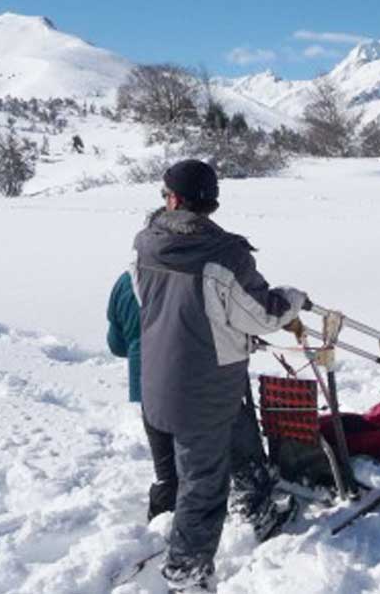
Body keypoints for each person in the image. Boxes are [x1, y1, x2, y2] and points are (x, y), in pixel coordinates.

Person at [130, 159, 308, 591]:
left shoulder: (145, 245)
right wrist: (294, 299)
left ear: (174, 199)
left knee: (240, 432)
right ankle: (187, 573)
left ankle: (256, 507)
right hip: (203, 386)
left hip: (161, 378)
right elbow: (262, 314)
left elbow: (148, 300)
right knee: (204, 485)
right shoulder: (225, 255)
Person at [106, 267, 295, 528]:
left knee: (167, 469)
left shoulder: (128, 280)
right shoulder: (196, 274)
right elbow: (245, 316)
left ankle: (163, 518)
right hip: (202, 383)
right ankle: (253, 511)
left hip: (150, 389)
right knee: (237, 446)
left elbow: (116, 345)